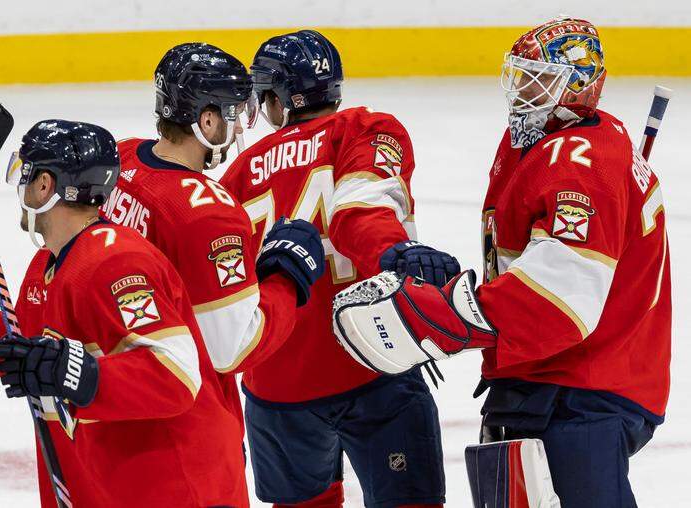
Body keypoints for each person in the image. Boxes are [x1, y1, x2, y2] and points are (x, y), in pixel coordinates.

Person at [333, 18, 669, 508]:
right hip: (539, 376)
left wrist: (446, 318)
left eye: (538, 78)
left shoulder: (582, 162)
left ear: (576, 85)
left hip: (581, 389)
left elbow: (559, 299)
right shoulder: (540, 141)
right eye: (520, 74)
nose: (522, 88)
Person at [0, 120, 309, 507]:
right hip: (115, 478)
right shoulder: (49, 264)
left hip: (178, 485)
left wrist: (79, 375)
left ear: (45, 186)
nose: (20, 186)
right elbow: (34, 358)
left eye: (26, 174)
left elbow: (176, 373)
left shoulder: (116, 262)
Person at [219, 30, 459, 507]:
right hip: (374, 362)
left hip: (277, 380)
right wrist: (394, 255)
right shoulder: (365, 129)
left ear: (282, 96)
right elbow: (361, 214)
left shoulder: (239, 171)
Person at [100, 42, 325, 418]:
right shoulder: (207, 213)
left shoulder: (118, 160)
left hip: (112, 380)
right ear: (206, 121)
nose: (238, 127)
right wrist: (286, 278)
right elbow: (232, 347)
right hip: (184, 410)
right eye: (233, 113)